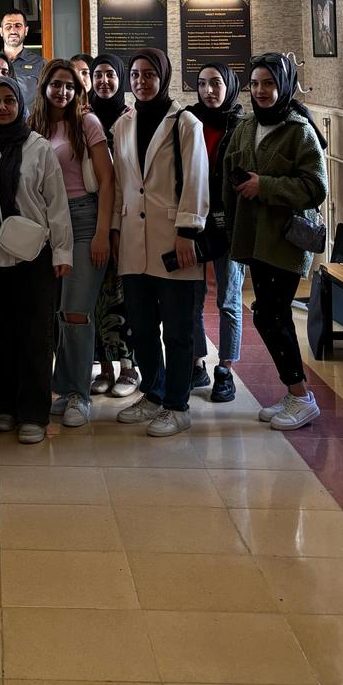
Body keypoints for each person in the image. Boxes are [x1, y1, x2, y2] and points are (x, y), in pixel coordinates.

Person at [224, 53, 328, 430]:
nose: (260, 91)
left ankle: (301, 397)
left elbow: (315, 187)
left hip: (284, 242)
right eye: (254, 84)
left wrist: (264, 186)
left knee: (272, 315)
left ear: (283, 86)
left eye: (268, 83)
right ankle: (294, 391)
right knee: (269, 314)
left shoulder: (299, 130)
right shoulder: (247, 126)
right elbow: (230, 171)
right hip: (254, 238)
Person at [110, 49, 210, 436]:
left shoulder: (185, 122)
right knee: (141, 326)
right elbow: (120, 184)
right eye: (135, 75)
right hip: (133, 240)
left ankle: (177, 405)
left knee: (178, 329)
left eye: (149, 74)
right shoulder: (123, 124)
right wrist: (115, 232)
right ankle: (152, 393)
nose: (141, 81)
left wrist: (188, 231)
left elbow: (196, 178)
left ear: (163, 77)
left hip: (174, 240)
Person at [0, 76, 72, 442]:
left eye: (10, 100)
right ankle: (6, 405)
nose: (3, 107)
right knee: (1, 333)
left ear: (21, 104)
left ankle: (34, 413)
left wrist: (63, 252)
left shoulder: (39, 147)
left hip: (35, 254)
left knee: (35, 334)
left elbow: (57, 202)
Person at [33, 60, 114, 427]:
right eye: (56, 84)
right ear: (45, 87)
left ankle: (80, 394)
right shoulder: (35, 125)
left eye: (69, 86)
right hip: (48, 223)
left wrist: (102, 232)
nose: (62, 91)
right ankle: (65, 389)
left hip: (83, 219)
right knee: (60, 312)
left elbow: (108, 181)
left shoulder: (87, 123)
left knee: (77, 311)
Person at [188, 63, 246, 402]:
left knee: (229, 298)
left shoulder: (241, 126)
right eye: (202, 84)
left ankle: (225, 369)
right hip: (194, 220)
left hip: (230, 224)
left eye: (216, 83)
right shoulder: (189, 121)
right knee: (192, 297)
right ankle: (197, 363)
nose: (208, 91)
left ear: (230, 86)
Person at [88, 53, 138, 398]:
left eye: (110, 75)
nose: (104, 81)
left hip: (124, 217)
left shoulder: (131, 119)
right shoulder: (83, 118)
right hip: (90, 217)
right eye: (98, 75)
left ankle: (129, 368)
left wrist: (116, 227)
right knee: (96, 298)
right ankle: (104, 368)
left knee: (123, 296)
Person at [0, 9, 44, 101]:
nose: (13, 30)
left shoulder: (40, 64)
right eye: (8, 26)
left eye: (18, 25)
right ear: (1, 31)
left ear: (26, 30)